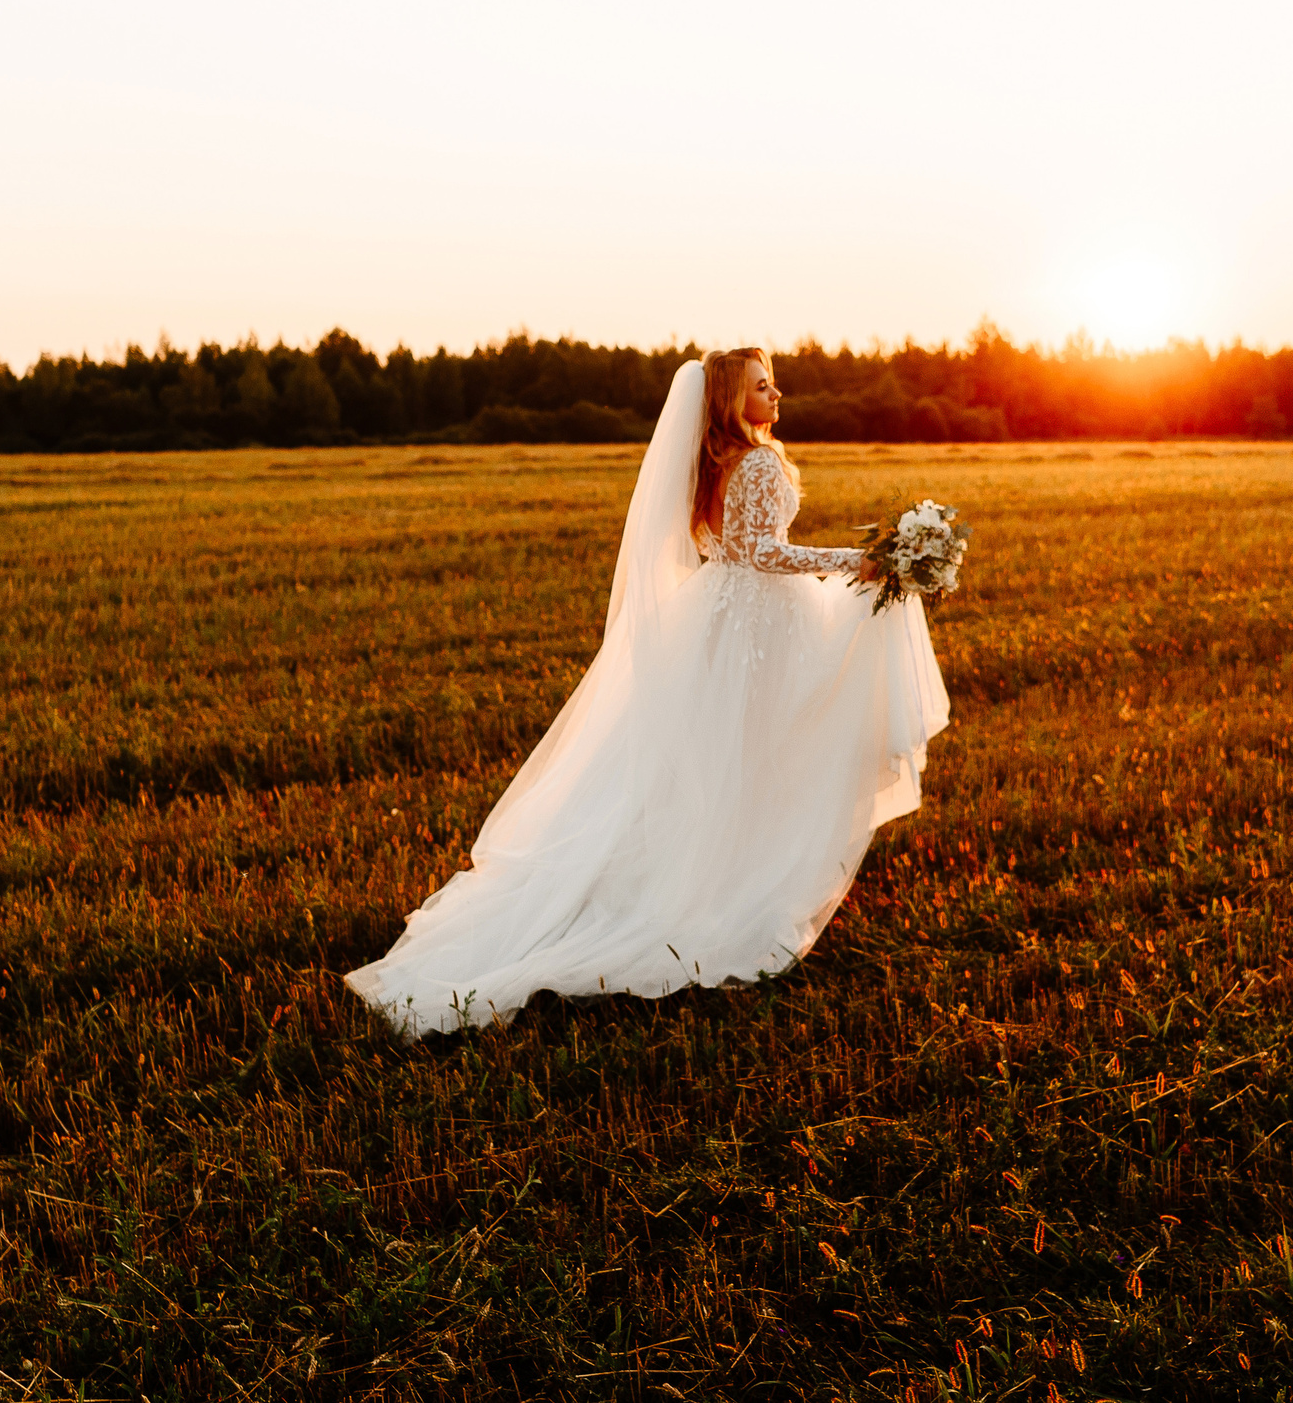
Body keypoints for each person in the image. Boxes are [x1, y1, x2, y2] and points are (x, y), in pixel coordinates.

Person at [345, 348, 951, 1035]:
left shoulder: (714, 459)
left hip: (726, 614)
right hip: (756, 621)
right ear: (729, 398)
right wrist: (857, 560)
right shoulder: (753, 460)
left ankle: (715, 876)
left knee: (715, 762)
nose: (776, 393)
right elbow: (760, 553)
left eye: (773, 381)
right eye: (761, 385)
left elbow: (725, 545)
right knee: (756, 756)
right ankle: (723, 893)